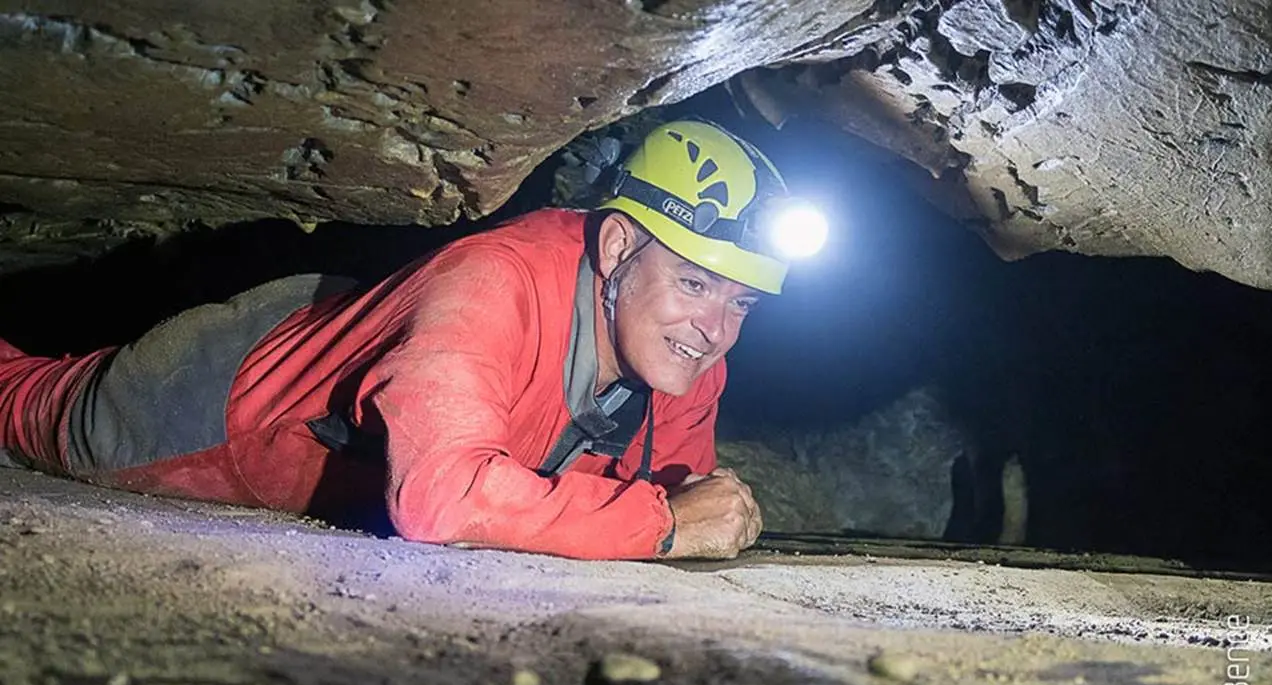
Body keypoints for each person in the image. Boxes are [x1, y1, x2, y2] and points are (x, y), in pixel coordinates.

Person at [0, 119, 826, 560]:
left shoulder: (685, 351)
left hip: (373, 343)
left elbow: (677, 494)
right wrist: (665, 528)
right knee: (28, 412)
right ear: (616, 249)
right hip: (225, 397)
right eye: (695, 283)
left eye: (743, 302)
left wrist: (685, 518)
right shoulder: (496, 279)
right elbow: (439, 501)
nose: (716, 329)